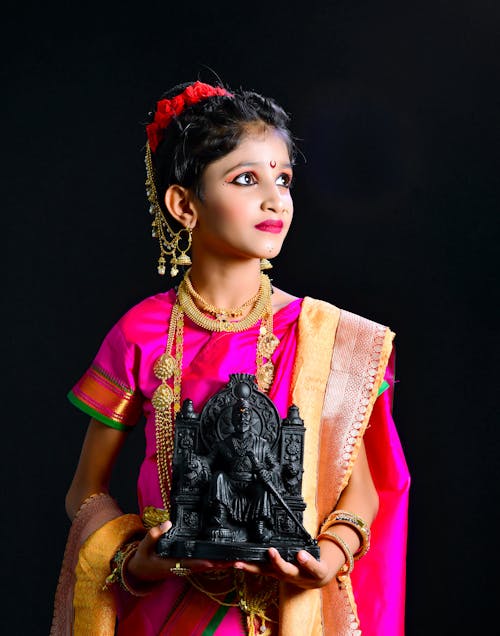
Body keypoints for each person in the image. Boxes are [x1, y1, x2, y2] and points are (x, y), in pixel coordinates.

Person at [50, 79, 410, 636]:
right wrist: (141, 559)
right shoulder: (141, 332)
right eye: (246, 179)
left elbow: (358, 487)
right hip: (167, 608)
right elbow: (85, 490)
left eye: (283, 178)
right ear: (184, 204)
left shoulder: (330, 337)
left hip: (288, 609)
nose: (276, 199)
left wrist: (330, 558)